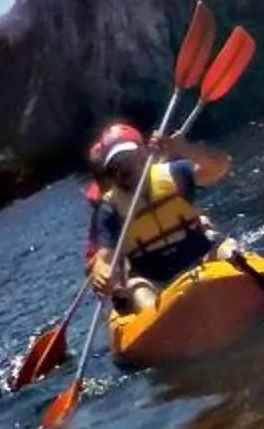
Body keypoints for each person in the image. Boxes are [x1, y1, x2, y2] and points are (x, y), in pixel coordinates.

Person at [84, 121, 234, 314]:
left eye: (127, 158)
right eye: (115, 165)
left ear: (143, 154)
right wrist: (100, 270)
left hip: (202, 257)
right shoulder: (109, 208)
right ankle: (161, 321)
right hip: (154, 281)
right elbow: (105, 256)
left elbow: (220, 167)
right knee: (140, 293)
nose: (122, 168)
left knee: (230, 251)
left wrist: (186, 149)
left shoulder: (174, 172)